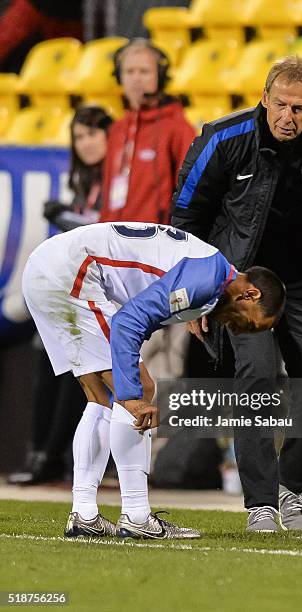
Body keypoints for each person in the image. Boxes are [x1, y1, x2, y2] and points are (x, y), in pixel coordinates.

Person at [172, 56, 302, 532]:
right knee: (256, 379)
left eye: (299, 109)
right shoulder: (223, 139)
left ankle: (294, 491)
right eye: (279, 105)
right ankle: (260, 502)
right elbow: (187, 220)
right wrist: (196, 293)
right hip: (242, 285)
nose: (287, 117)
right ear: (264, 98)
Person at [22, 221, 285, 539]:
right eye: (253, 324)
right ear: (251, 294)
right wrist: (133, 395)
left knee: (100, 397)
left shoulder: (211, 281)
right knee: (139, 388)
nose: (243, 331)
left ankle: (85, 513)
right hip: (73, 270)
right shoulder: (207, 278)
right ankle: (136, 515)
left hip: (48, 266)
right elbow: (128, 323)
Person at [8, 105, 113, 486]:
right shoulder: (86, 183)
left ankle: (60, 455)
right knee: (45, 353)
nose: (86, 143)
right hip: (77, 290)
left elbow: (107, 233)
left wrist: (69, 219)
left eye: (93, 134)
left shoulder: (119, 177)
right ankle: (42, 452)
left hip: (105, 293)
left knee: (82, 368)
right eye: (79, 136)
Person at [99, 38, 195, 225]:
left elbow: (189, 192)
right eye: (129, 71)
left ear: (160, 76)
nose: (136, 78)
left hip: (153, 242)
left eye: (144, 71)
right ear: (119, 77)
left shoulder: (177, 128)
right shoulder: (117, 129)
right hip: (112, 240)